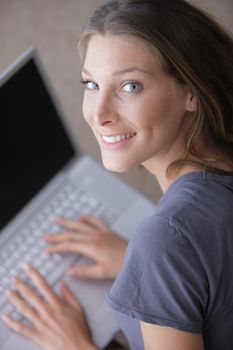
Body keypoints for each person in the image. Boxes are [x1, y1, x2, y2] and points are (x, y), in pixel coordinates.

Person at [2, 0, 233, 349]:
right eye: (91, 84)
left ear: (191, 91)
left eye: (130, 87)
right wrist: (140, 266)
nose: (100, 114)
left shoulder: (165, 242)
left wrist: (76, 344)